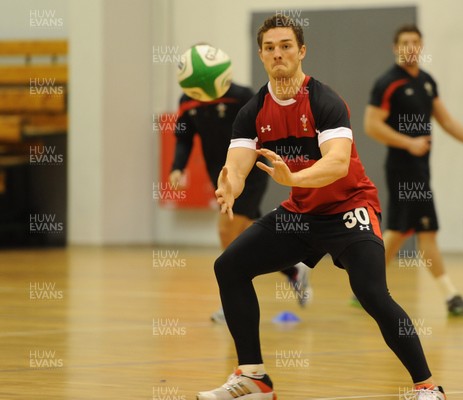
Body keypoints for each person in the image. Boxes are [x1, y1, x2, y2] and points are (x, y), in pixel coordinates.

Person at [196, 16, 446, 400]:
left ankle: (428, 387)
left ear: (301, 52)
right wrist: (228, 185)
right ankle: (254, 378)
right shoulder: (253, 112)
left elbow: (337, 163)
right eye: (270, 48)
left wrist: (293, 179)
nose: (278, 53)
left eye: (286, 46)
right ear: (261, 54)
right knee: (229, 266)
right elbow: (238, 164)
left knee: (372, 294)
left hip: (350, 208)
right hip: (301, 215)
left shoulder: (324, 101)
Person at [363, 25, 463, 317]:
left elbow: (447, 122)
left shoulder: (426, 81)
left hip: (420, 170)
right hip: (403, 169)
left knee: (398, 233)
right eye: (404, 42)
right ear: (395, 48)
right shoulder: (388, 83)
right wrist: (408, 142)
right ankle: (452, 298)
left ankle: (364, 287)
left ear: (421, 46)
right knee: (426, 232)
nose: (410, 47)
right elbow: (371, 124)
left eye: (415, 42)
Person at [169, 68, 312, 323]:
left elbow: (264, 128)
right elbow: (185, 138)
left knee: (226, 230)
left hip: (249, 173)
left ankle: (231, 300)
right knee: (249, 237)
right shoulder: (187, 100)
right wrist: (177, 168)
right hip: (223, 178)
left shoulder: (241, 95)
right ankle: (292, 269)